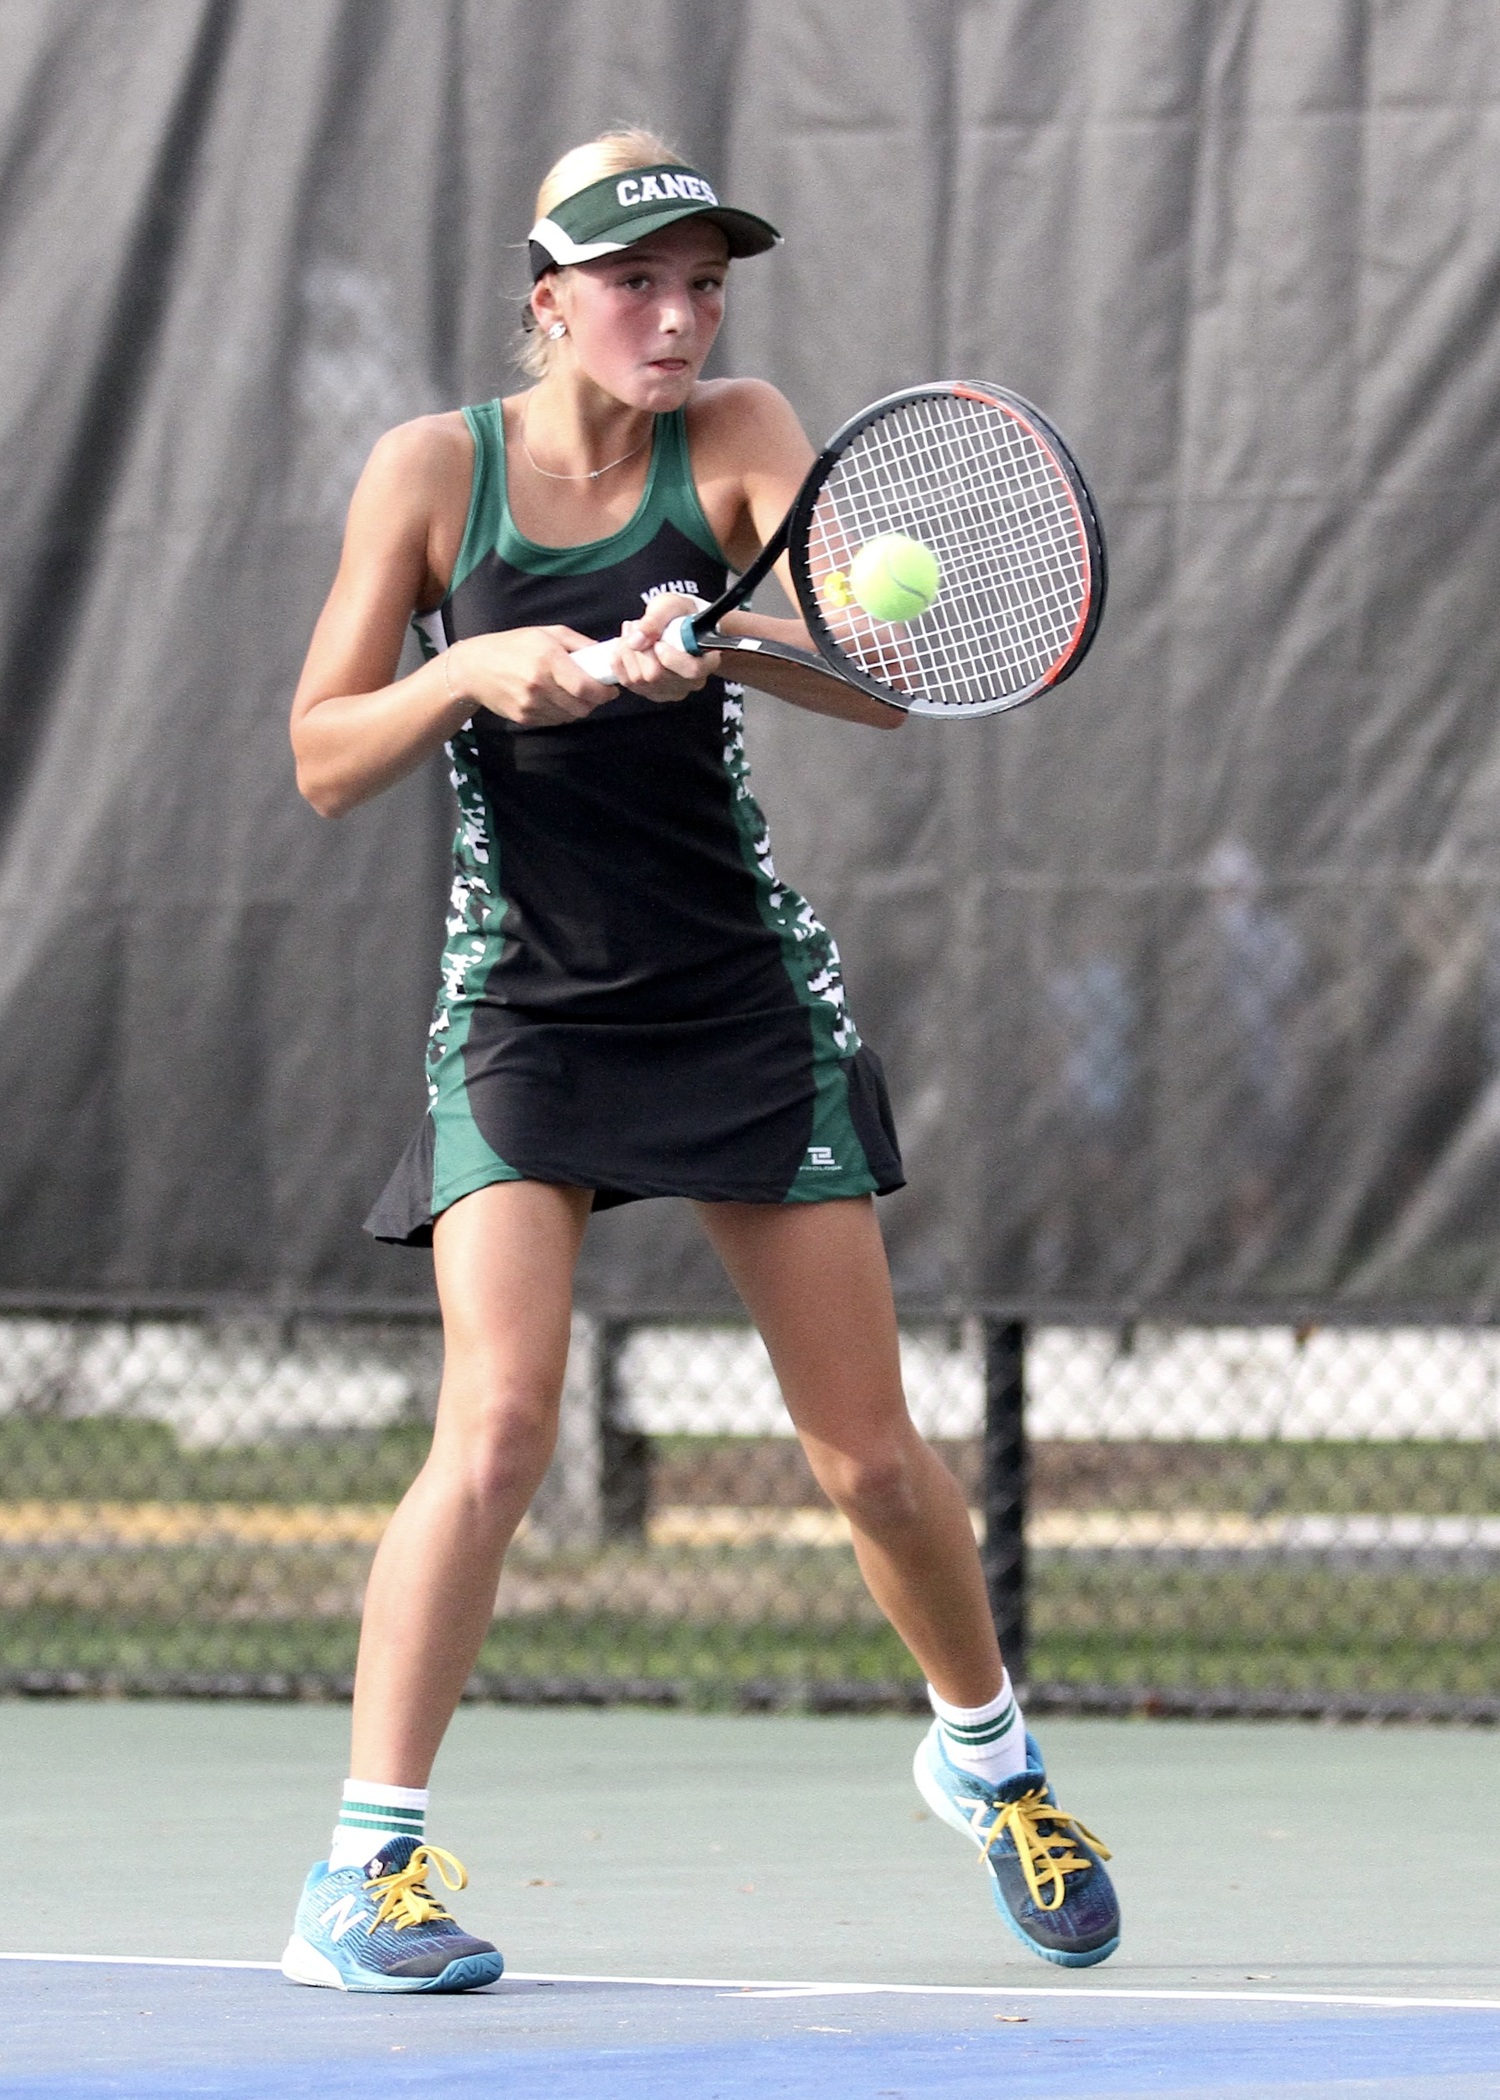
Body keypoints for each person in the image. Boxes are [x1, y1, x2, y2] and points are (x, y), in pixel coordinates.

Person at [280, 126, 1119, 1994]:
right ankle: (363, 1872)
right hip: (526, 1011)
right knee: (494, 1431)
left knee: (869, 1459)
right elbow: (326, 753)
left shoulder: (740, 432)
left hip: (737, 1000)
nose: (675, 318)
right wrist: (469, 674)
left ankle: (991, 1760)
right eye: (636, 284)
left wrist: (720, 647)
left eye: (703, 286)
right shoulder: (434, 473)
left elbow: (867, 671)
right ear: (549, 297)